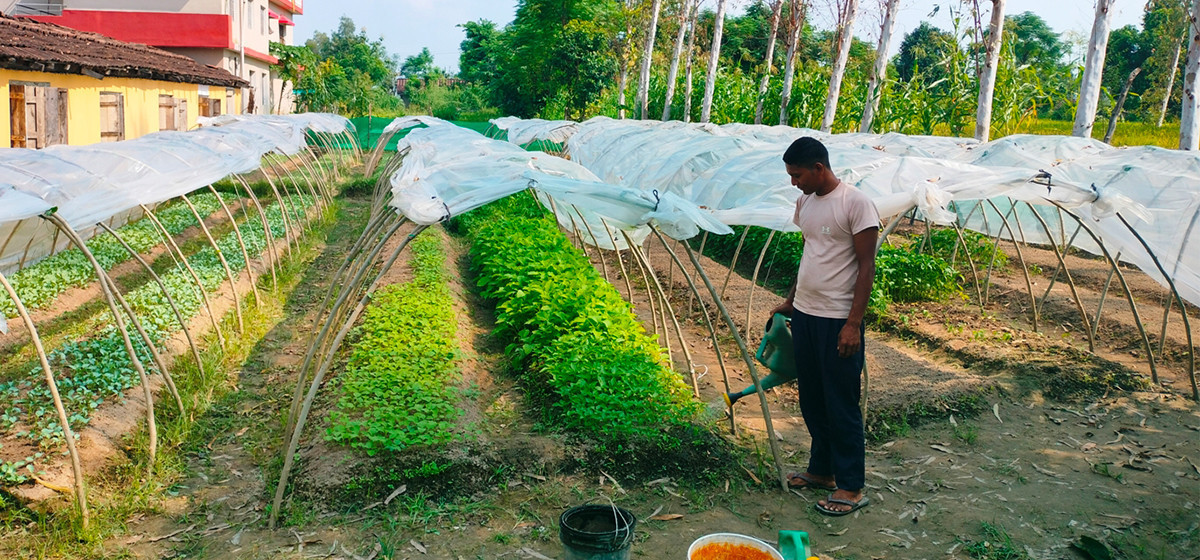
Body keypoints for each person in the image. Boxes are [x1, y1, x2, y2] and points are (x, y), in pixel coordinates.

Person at [769, 137, 879, 517]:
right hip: (806, 314)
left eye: (797, 175)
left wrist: (853, 323)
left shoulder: (855, 203)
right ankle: (823, 471)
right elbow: (810, 252)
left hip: (837, 320)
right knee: (813, 398)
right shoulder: (806, 203)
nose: (793, 183)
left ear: (819, 168)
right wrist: (791, 299)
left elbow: (867, 267)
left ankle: (851, 486)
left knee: (840, 402)